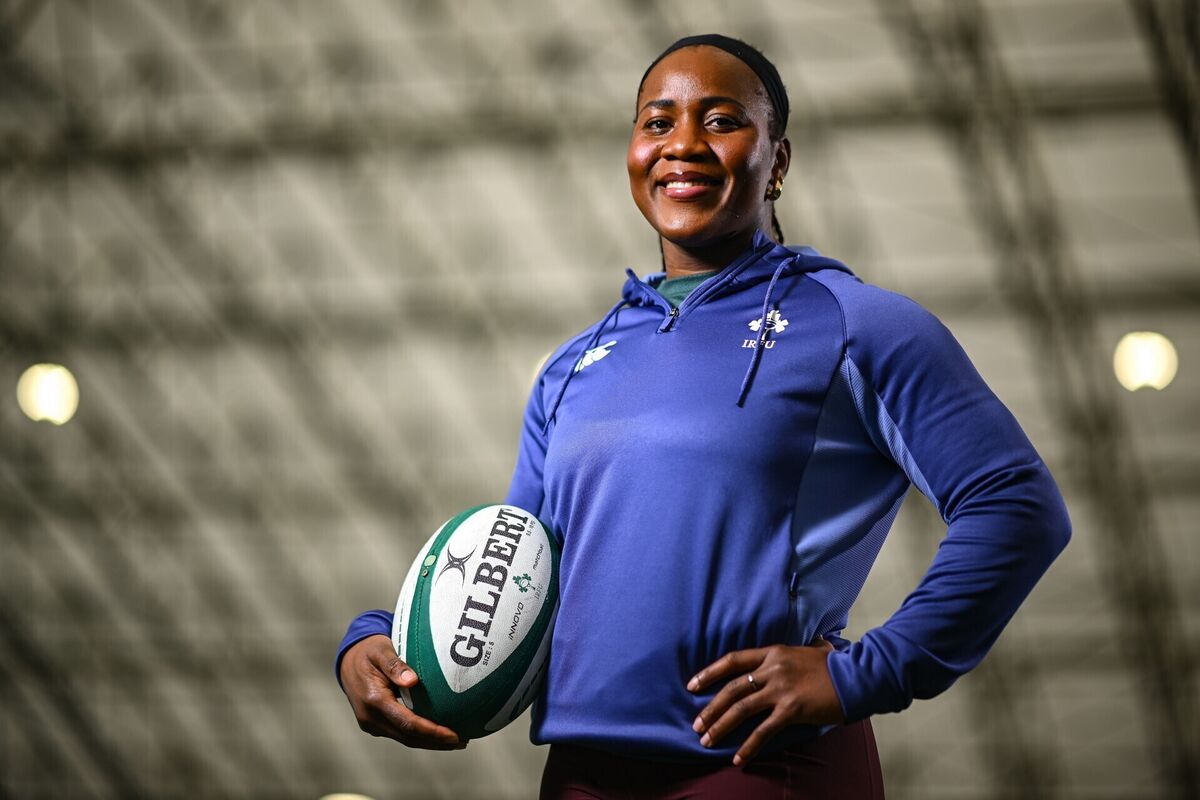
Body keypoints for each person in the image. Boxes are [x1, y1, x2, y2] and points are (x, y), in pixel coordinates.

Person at [336, 34, 1071, 799]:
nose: (682, 144)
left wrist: (865, 674)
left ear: (777, 161)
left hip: (759, 767)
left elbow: (1016, 505)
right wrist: (376, 642)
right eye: (657, 123)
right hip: (582, 774)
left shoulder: (858, 324)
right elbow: (518, 571)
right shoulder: (572, 366)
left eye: (721, 121)